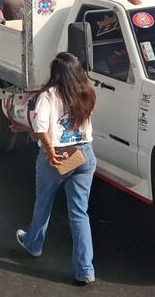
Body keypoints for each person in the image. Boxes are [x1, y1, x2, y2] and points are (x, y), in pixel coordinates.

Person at [16, 53, 97, 285]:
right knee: (79, 213)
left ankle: (34, 243)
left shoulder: (48, 96)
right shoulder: (87, 92)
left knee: (44, 202)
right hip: (83, 154)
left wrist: (51, 154)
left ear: (56, 73)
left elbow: (42, 127)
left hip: (59, 154)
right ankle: (85, 270)